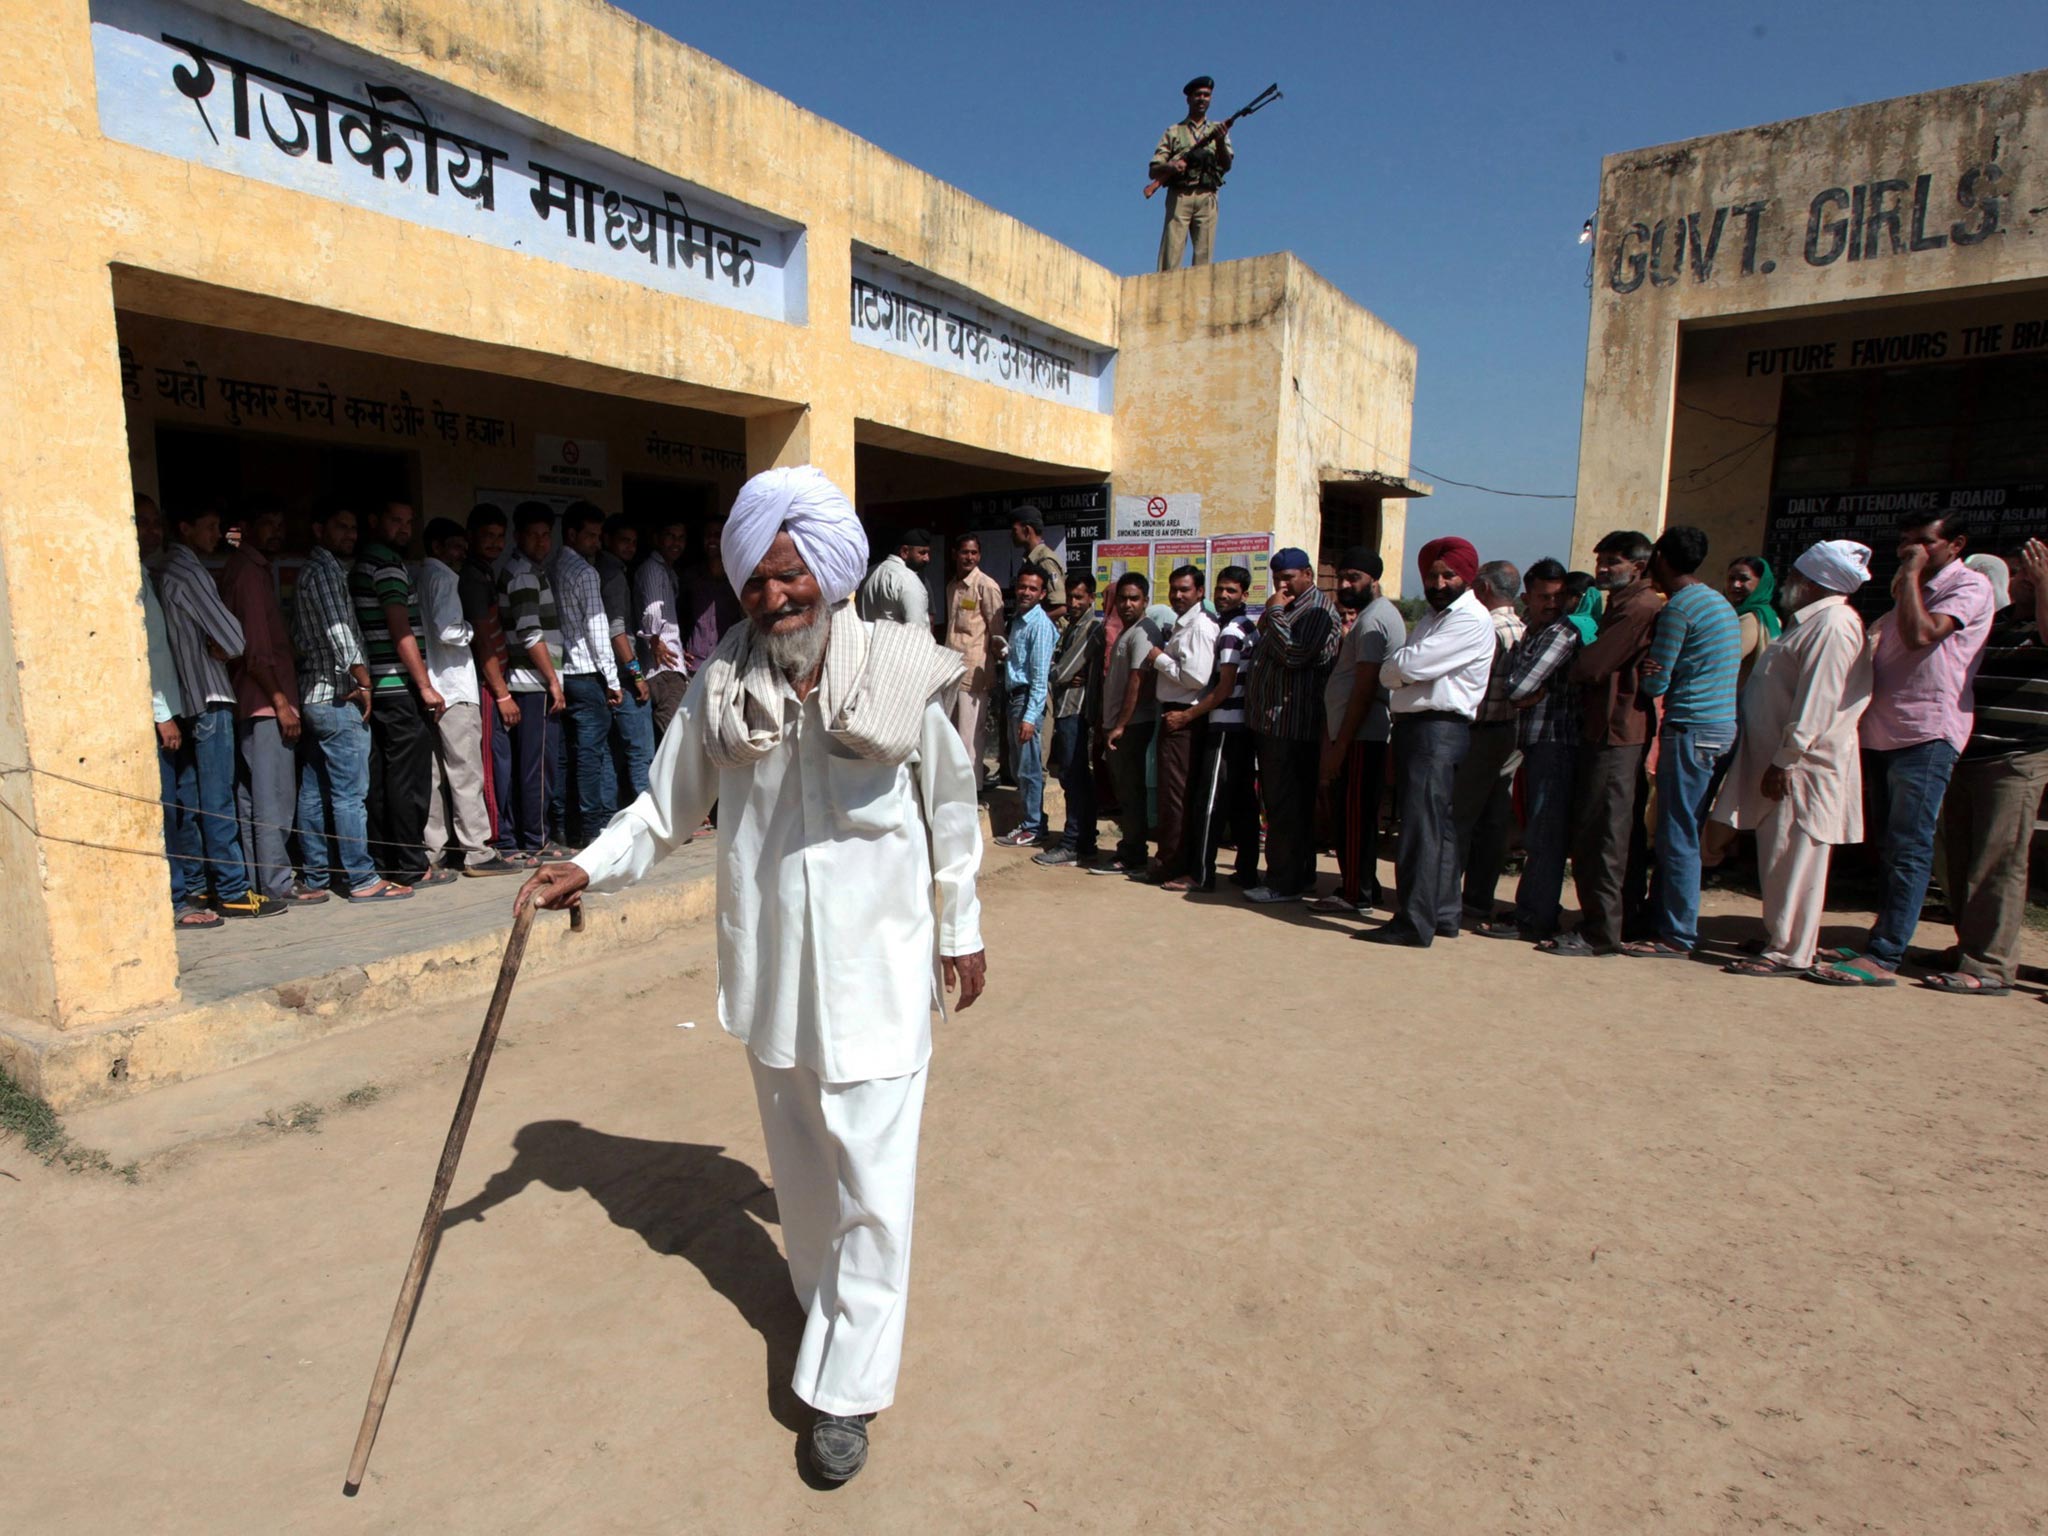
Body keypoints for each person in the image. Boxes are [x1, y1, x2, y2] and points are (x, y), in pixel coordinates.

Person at [515, 466, 986, 1485]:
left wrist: (963, 925)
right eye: (759, 583)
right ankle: (824, 1305)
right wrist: (583, 866)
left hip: (879, 970)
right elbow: (662, 807)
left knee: (873, 1185)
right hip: (774, 975)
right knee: (806, 1176)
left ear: (829, 569)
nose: (777, 598)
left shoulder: (903, 668)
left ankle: (845, 1390)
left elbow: (950, 808)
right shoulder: (724, 684)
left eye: (791, 576)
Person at [1813, 512, 1994, 986]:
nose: (1910, 550)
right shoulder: (1907, 589)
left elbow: (1920, 637)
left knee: (1909, 847)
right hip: (1884, 730)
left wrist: (1911, 576)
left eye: (1923, 543)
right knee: (1891, 847)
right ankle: (1883, 940)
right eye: (1905, 542)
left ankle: (1886, 956)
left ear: (1955, 544)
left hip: (1927, 733)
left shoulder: (1969, 587)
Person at [1706, 541, 1874, 977]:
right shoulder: (1808, 624)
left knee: (1797, 857)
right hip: (1778, 762)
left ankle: (1790, 952)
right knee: (1779, 854)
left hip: (1801, 767)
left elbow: (1818, 700)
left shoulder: (1835, 625)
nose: (1790, 584)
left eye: (1798, 577)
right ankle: (1779, 937)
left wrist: (1786, 758)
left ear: (1815, 583)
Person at [1920, 538, 2048, 995]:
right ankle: (1967, 947)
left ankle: (1991, 966)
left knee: (1998, 863)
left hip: (2017, 758)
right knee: (1959, 859)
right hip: (1968, 752)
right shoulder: (1999, 622)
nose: (2020, 579)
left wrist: (2045, 583)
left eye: (2029, 572)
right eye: (2017, 572)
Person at [1361, 538, 1494, 948]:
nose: (1438, 583)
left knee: (1421, 827)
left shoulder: (1468, 619)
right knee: (1439, 827)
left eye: (1447, 574)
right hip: (1421, 728)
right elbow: (1398, 669)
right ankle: (1442, 914)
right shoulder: (1436, 618)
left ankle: (1414, 922)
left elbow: (1407, 664)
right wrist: (1400, 669)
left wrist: (1400, 668)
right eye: (1432, 575)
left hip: (1437, 728)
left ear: (1466, 576)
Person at [1540, 530, 1662, 957]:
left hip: (1616, 732)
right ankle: (1609, 920)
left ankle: (1601, 931)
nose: (1604, 570)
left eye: (1613, 562)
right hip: (1607, 728)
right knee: (1603, 830)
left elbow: (1591, 666)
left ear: (1639, 567)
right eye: (1601, 562)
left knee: (1605, 834)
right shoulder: (1622, 605)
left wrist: (1579, 660)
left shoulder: (1639, 607)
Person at [156, 503, 278, 918]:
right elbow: (235, 637)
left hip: (189, 702)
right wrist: (225, 645)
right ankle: (231, 888)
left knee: (192, 799)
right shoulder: (188, 573)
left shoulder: (168, 572)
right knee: (217, 799)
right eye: (208, 527)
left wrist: (222, 643)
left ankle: (198, 886)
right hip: (210, 698)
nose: (215, 535)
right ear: (184, 526)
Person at [1626, 525, 1742, 959]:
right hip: (1718, 728)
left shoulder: (1680, 609)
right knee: (1686, 827)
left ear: (1661, 558)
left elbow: (1656, 678)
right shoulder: (1716, 602)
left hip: (1691, 726)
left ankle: (1675, 934)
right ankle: (1668, 920)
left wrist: (1644, 667)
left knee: (1676, 834)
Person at [294, 507, 409, 902]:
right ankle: (361, 878)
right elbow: (340, 630)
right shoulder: (324, 571)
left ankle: (316, 876)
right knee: (348, 794)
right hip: (338, 696)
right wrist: (364, 681)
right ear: (318, 527)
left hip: (314, 696)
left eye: (353, 526)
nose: (349, 533)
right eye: (340, 526)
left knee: (314, 791)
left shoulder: (314, 571)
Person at [217, 501, 317, 904]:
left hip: (253, 700)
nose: (275, 531)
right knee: (272, 798)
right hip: (264, 702)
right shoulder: (248, 574)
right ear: (244, 527)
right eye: (267, 523)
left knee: (253, 799)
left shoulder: (250, 570)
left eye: (280, 523)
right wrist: (281, 704)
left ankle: (264, 881)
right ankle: (276, 883)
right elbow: (256, 651)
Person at [1481, 562, 1587, 942]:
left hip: (1554, 742)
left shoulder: (1561, 633)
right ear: (1528, 596)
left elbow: (1518, 685)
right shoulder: (1535, 630)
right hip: (1535, 740)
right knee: (1535, 829)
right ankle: (1533, 908)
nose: (1552, 603)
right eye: (1544, 596)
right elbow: (1520, 686)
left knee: (1544, 832)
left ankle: (1535, 915)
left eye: (1558, 596)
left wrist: (1525, 689)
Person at [353, 500, 451, 889]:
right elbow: (400, 629)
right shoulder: (387, 564)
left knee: (384, 779)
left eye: (409, 522)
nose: (404, 528)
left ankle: (387, 860)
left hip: (378, 688)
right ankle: (412, 864)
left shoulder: (363, 564)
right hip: (397, 686)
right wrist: (424, 684)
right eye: (395, 520)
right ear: (375, 520)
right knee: (407, 782)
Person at [420, 519, 521, 877]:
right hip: (455, 688)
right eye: (454, 546)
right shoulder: (446, 578)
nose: (461, 553)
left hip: (433, 687)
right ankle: (477, 851)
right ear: (436, 547)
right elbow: (449, 630)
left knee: (436, 775)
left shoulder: (422, 576)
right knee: (465, 773)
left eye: (463, 546)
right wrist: (473, 631)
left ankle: (435, 849)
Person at [1244, 548, 1340, 903]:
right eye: (1277, 579)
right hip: (1271, 722)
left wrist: (1275, 612)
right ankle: (1297, 875)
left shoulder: (1315, 610)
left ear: (1308, 575)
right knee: (1284, 804)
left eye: (1289, 578)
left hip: (1292, 723)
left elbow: (1295, 654)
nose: (1283, 586)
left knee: (1286, 805)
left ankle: (1284, 882)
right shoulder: (1287, 608)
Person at [138, 502, 217, 930]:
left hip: (176, 710)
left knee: (184, 807)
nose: (152, 532)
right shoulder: (127, 578)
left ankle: (187, 889)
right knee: (167, 812)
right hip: (160, 715)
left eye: (155, 523)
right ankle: (174, 900)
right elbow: (139, 655)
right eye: (141, 522)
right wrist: (160, 714)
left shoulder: (147, 577)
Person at [1313, 550, 1404, 915]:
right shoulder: (1373, 617)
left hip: (1362, 736)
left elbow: (1364, 688)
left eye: (1355, 578)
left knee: (1354, 816)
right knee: (1355, 815)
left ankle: (1355, 894)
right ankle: (1364, 884)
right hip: (1357, 735)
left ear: (1374, 581)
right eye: (1343, 578)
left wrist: (1339, 746)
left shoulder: (1372, 622)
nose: (1347, 585)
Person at [1448, 559, 1526, 927]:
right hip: (1509, 734)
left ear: (1484, 589)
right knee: (1493, 821)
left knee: (1459, 819)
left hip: (1480, 731)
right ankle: (1478, 898)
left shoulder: (1486, 628)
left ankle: (1444, 897)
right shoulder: (1521, 628)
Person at [497, 503, 567, 860]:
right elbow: (529, 633)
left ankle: (531, 835)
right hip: (532, 685)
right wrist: (553, 682)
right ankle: (536, 839)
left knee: (533, 766)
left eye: (546, 535)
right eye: (534, 535)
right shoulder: (523, 575)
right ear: (518, 536)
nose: (542, 542)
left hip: (530, 684)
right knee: (537, 769)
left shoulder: (527, 571)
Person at [553, 502, 624, 849]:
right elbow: (598, 629)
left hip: (563, 674)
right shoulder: (585, 573)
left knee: (571, 753)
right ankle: (592, 829)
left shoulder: (553, 566)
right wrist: (612, 680)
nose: (597, 542)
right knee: (591, 755)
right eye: (591, 535)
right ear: (571, 534)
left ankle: (567, 826)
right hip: (587, 673)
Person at [1144, 564, 1219, 882]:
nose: (1177, 595)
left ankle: (1171, 863)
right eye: (1174, 589)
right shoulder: (1183, 623)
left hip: (1184, 715)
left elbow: (1196, 677)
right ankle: (1173, 859)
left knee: (1175, 795)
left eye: (1184, 589)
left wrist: (1159, 658)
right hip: (1177, 712)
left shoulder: (1199, 627)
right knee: (1175, 794)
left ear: (1200, 592)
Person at [460, 504, 521, 857]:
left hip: (496, 681)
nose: (495, 544)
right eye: (488, 536)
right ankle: (499, 838)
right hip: (487, 686)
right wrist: (500, 694)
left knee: (503, 762)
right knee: (493, 764)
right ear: (472, 538)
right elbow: (482, 639)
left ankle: (506, 835)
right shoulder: (471, 577)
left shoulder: (484, 574)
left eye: (500, 537)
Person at [1033, 572, 1106, 869]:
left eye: (1080, 597)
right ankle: (1083, 840)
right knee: (1073, 778)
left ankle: (1073, 842)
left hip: (1074, 711)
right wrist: (1057, 669)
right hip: (1066, 706)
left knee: (1074, 778)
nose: (1074, 603)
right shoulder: (1073, 627)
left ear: (1091, 598)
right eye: (1071, 597)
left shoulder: (1090, 628)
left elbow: (1060, 672)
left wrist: (1054, 671)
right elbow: (1059, 667)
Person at [1095, 574, 1165, 876]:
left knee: (1131, 791)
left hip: (1132, 725)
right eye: (1122, 598)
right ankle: (1132, 848)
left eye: (1134, 598)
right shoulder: (1129, 631)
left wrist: (1120, 725)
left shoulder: (1142, 633)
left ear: (1145, 601)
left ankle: (1133, 854)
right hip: (1121, 723)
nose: (1126, 604)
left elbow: (1137, 681)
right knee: (1126, 790)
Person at [993, 565, 1056, 848]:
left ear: (1043, 593)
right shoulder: (1019, 619)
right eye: (1022, 587)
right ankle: (1031, 822)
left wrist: (1030, 718)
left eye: (1033, 588)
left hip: (1026, 699)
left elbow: (1040, 679)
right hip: (1013, 698)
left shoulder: (1040, 625)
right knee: (1020, 767)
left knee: (1029, 769)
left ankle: (1032, 827)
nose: (1026, 592)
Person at [597, 514, 655, 803]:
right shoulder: (613, 577)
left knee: (612, 752)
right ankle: (649, 819)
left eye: (634, 542)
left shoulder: (605, 570)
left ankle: (609, 818)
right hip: (623, 675)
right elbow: (617, 631)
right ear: (606, 540)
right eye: (624, 541)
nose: (630, 547)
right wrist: (637, 675)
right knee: (641, 751)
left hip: (609, 675)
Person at [1150, 75, 1233, 271]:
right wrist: (1171, 167)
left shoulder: (1217, 130)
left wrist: (1220, 141)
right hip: (1180, 195)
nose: (1202, 99)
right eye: (1198, 95)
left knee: (1203, 258)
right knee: (1171, 255)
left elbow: (1227, 165)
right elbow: (1153, 170)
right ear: (1189, 99)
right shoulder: (1174, 131)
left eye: (1206, 95)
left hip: (1207, 196)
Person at [942, 534, 1007, 784]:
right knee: (952, 731)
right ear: (955, 554)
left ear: (979, 555)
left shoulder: (985, 585)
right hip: (951, 667)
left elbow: (997, 631)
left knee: (970, 734)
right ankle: (955, 786)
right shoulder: (952, 587)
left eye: (974, 553)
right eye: (964, 552)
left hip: (974, 669)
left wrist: (993, 663)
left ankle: (972, 788)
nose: (969, 557)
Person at [635, 516, 691, 736]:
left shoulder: (666, 570)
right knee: (675, 740)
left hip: (667, 664)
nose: (676, 543)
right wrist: (656, 641)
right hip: (664, 670)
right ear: (657, 539)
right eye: (670, 536)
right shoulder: (653, 569)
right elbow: (652, 611)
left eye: (681, 538)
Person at [680, 518, 744, 673]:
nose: (712, 539)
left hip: (727, 663)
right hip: (694, 664)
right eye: (708, 535)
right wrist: (678, 648)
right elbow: (679, 615)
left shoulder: (737, 578)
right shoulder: (691, 577)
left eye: (718, 534)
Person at [1725, 556, 1781, 692]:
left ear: (1762, 583)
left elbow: (1725, 659)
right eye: (1731, 579)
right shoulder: (1769, 616)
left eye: (1744, 579)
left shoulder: (1751, 619)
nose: (1735, 585)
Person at [856, 528, 933, 627]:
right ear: (904, 551)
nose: (927, 558)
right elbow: (918, 632)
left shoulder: (869, 573)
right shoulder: (908, 580)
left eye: (928, 553)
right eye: (922, 553)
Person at [1008, 512, 1066, 610]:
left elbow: (1060, 609)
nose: (1011, 535)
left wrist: (1034, 624)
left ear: (1026, 530)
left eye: (1014, 531)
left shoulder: (1045, 560)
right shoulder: (1030, 558)